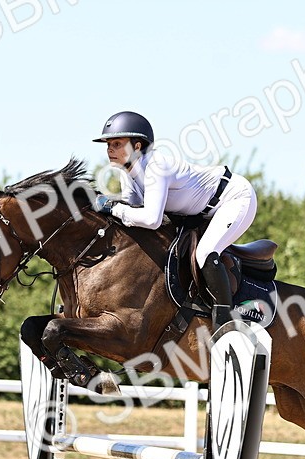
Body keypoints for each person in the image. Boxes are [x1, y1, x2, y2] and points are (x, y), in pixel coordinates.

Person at [92, 110, 256, 309]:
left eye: (117, 144)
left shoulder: (156, 166)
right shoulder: (126, 171)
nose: (110, 149)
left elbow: (152, 219)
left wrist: (114, 208)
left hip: (234, 198)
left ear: (137, 146)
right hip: (198, 214)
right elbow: (133, 210)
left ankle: (225, 318)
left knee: (204, 253)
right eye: (109, 145)